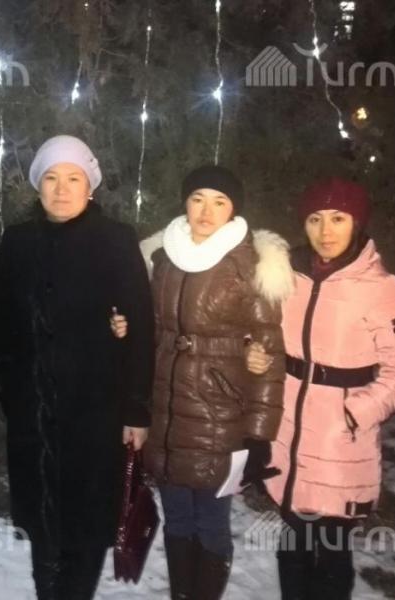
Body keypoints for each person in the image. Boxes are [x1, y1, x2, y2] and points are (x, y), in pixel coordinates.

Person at [0, 135, 155, 600]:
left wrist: (136, 409)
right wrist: (11, 388)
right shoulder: (18, 241)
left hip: (97, 413)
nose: (62, 189)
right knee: (43, 525)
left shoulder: (115, 240)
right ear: (38, 186)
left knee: (87, 526)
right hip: (34, 416)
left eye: (73, 178)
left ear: (89, 186)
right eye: (52, 178)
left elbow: (140, 327)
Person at [115, 165, 294, 599]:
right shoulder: (163, 256)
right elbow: (149, 328)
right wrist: (127, 328)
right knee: (177, 519)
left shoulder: (249, 265)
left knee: (211, 522)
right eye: (197, 199)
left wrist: (259, 435)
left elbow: (269, 355)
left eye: (219, 201)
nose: (206, 211)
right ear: (185, 203)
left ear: (233, 210)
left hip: (221, 418)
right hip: (168, 413)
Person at [247, 177, 395, 599]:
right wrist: (255, 352)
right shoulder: (288, 275)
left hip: (340, 444)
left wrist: (355, 413)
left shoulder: (381, 287)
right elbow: (262, 330)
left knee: (330, 554)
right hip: (288, 434)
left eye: (338, 219)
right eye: (315, 219)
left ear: (356, 223)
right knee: (292, 545)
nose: (325, 231)